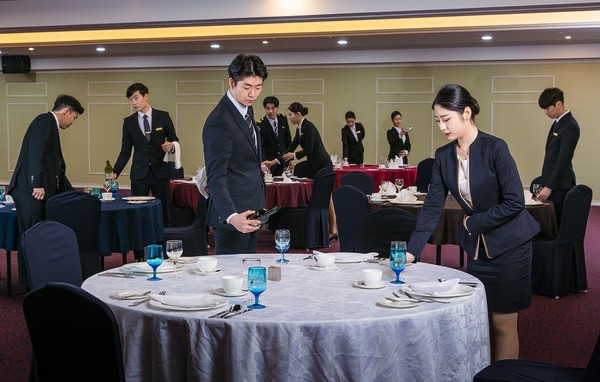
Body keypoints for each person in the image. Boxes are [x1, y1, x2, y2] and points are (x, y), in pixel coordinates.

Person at [406, 84, 540, 361]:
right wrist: (412, 249)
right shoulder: (444, 156)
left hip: (511, 245)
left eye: (447, 119)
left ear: (466, 113)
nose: (442, 127)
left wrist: (473, 223)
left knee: (503, 324)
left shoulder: (495, 148)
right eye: (438, 121)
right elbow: (433, 206)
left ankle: (505, 378)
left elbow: (515, 201)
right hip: (478, 251)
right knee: (479, 319)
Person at [8, 94, 84, 285]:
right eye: (73, 117)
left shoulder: (50, 124)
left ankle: (34, 281)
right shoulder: (44, 120)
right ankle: (32, 284)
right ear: (66, 111)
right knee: (32, 237)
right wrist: (36, 183)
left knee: (34, 237)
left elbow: (55, 168)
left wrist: (76, 194)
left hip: (33, 189)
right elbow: (36, 151)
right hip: (29, 190)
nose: (72, 122)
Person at [202, 54, 267, 255]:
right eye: (247, 87)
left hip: (250, 207)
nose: (253, 94)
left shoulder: (246, 109)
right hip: (233, 213)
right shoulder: (219, 120)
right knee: (231, 278)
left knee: (248, 273)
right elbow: (215, 176)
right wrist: (231, 216)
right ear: (231, 82)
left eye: (258, 87)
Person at [111, 83, 179, 261]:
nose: (133, 103)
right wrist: (115, 172)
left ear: (146, 96)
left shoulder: (163, 116)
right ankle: (140, 256)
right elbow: (125, 150)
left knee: (163, 213)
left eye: (136, 98)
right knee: (137, 214)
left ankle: (163, 252)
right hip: (139, 174)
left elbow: (174, 139)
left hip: (160, 172)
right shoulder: (129, 122)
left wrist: (171, 146)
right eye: (130, 100)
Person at [282, 102, 337, 240]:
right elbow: (292, 145)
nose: (289, 118)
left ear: (298, 114)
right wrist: (277, 160)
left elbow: (310, 149)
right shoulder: (299, 128)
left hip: (323, 165)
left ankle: (333, 228)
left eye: (290, 115)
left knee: (327, 196)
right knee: (323, 196)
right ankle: (326, 228)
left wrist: (293, 156)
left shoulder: (309, 127)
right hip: (315, 165)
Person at [535, 87, 579, 223]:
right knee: (550, 222)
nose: (545, 112)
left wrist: (549, 187)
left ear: (559, 104)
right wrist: (545, 183)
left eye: (548, 109)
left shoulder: (570, 125)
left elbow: (563, 160)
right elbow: (551, 157)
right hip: (554, 183)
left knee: (558, 223)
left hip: (561, 185)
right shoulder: (558, 123)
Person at [258, 96, 292, 176]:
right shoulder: (260, 124)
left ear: (277, 108)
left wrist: (290, 159)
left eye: (273, 108)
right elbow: (261, 146)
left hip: (284, 161)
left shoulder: (283, 119)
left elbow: (288, 140)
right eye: (268, 108)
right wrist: (263, 163)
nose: (270, 111)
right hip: (269, 162)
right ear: (264, 108)